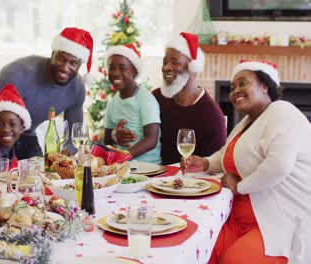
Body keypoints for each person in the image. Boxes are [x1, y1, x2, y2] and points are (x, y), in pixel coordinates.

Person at [181, 60, 311, 263]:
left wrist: (239, 186)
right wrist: (205, 163)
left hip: (279, 221)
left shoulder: (282, 111)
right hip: (238, 217)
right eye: (232, 87)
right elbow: (228, 154)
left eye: (243, 83)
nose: (235, 91)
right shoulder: (247, 122)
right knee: (199, 247)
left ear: (264, 86)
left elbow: (278, 166)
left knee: (233, 260)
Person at [0, 27, 93, 159]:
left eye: (73, 63)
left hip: (26, 135)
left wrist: (68, 150)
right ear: (53, 53)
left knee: (39, 176)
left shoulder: (77, 89)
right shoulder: (18, 72)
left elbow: (73, 134)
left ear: (80, 64)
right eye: (61, 59)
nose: (65, 68)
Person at [114, 32, 226, 165]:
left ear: (193, 68)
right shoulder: (155, 98)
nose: (166, 67)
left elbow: (214, 166)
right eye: (165, 62)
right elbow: (138, 133)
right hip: (152, 175)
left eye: (175, 62)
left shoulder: (212, 115)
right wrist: (116, 135)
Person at [103, 44, 161, 164]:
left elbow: (151, 139)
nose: (115, 73)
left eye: (122, 68)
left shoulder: (145, 99)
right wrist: (114, 136)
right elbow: (107, 140)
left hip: (148, 166)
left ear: (134, 72)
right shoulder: (112, 103)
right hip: (123, 167)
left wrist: (124, 156)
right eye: (111, 68)